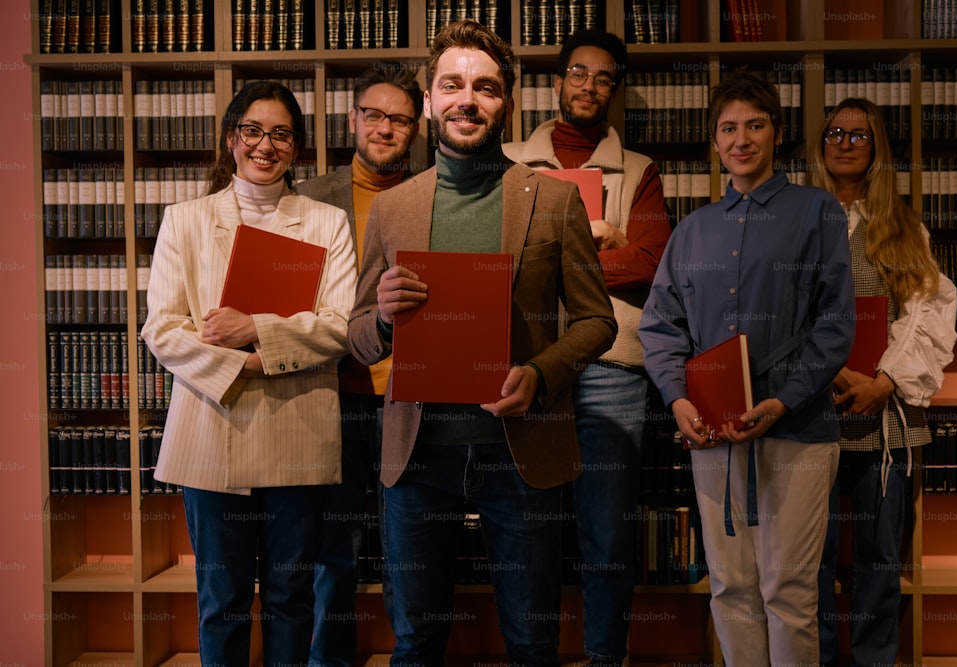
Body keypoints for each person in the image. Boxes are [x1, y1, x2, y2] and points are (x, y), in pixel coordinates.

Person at [346, 19, 617, 667]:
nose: (468, 99)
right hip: (415, 461)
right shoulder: (393, 208)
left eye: (486, 88)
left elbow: (596, 320)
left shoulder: (553, 202)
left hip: (519, 457)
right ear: (432, 100)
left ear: (508, 102)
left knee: (532, 643)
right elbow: (357, 340)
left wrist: (542, 372)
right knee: (415, 643)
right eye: (453, 85)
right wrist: (381, 318)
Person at [638, 69, 855, 666]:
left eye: (754, 125)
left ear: (777, 133)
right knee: (731, 589)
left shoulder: (818, 212)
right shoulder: (691, 230)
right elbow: (659, 327)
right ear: (714, 141)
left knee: (787, 591)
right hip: (714, 434)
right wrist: (677, 398)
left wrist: (783, 398)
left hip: (798, 432)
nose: (741, 139)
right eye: (728, 127)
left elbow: (836, 325)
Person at [141, 81, 357, 666]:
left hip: (298, 434)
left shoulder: (327, 222)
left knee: (292, 597)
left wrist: (256, 332)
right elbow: (161, 329)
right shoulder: (184, 220)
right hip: (213, 432)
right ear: (232, 138)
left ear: (298, 146)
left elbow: (339, 326)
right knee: (222, 600)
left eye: (282, 133)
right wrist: (244, 365)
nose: (266, 144)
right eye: (253, 130)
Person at [503, 29, 671, 666]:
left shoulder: (641, 170)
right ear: (557, 81)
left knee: (607, 535)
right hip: (533, 363)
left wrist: (557, 261)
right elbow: (500, 260)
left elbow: (654, 261)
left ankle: (606, 658)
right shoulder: (511, 161)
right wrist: (597, 244)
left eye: (603, 78)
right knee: (529, 532)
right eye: (579, 73)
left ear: (614, 90)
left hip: (612, 366)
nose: (589, 87)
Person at [811, 97, 957, 667]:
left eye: (859, 135)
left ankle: (874, 661)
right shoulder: (799, 220)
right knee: (810, 562)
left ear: (878, 151)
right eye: (834, 133)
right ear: (821, 145)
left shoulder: (903, 227)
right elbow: (783, 314)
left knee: (878, 561)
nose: (845, 143)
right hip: (811, 415)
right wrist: (826, 372)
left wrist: (885, 380)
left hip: (886, 424)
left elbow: (925, 314)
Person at [296, 62, 422, 667]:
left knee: (407, 547)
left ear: (416, 129)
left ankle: (411, 657)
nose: (385, 127)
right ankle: (331, 661)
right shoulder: (309, 201)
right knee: (334, 548)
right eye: (374, 114)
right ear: (353, 119)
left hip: (412, 399)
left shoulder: (433, 194)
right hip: (333, 396)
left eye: (399, 118)